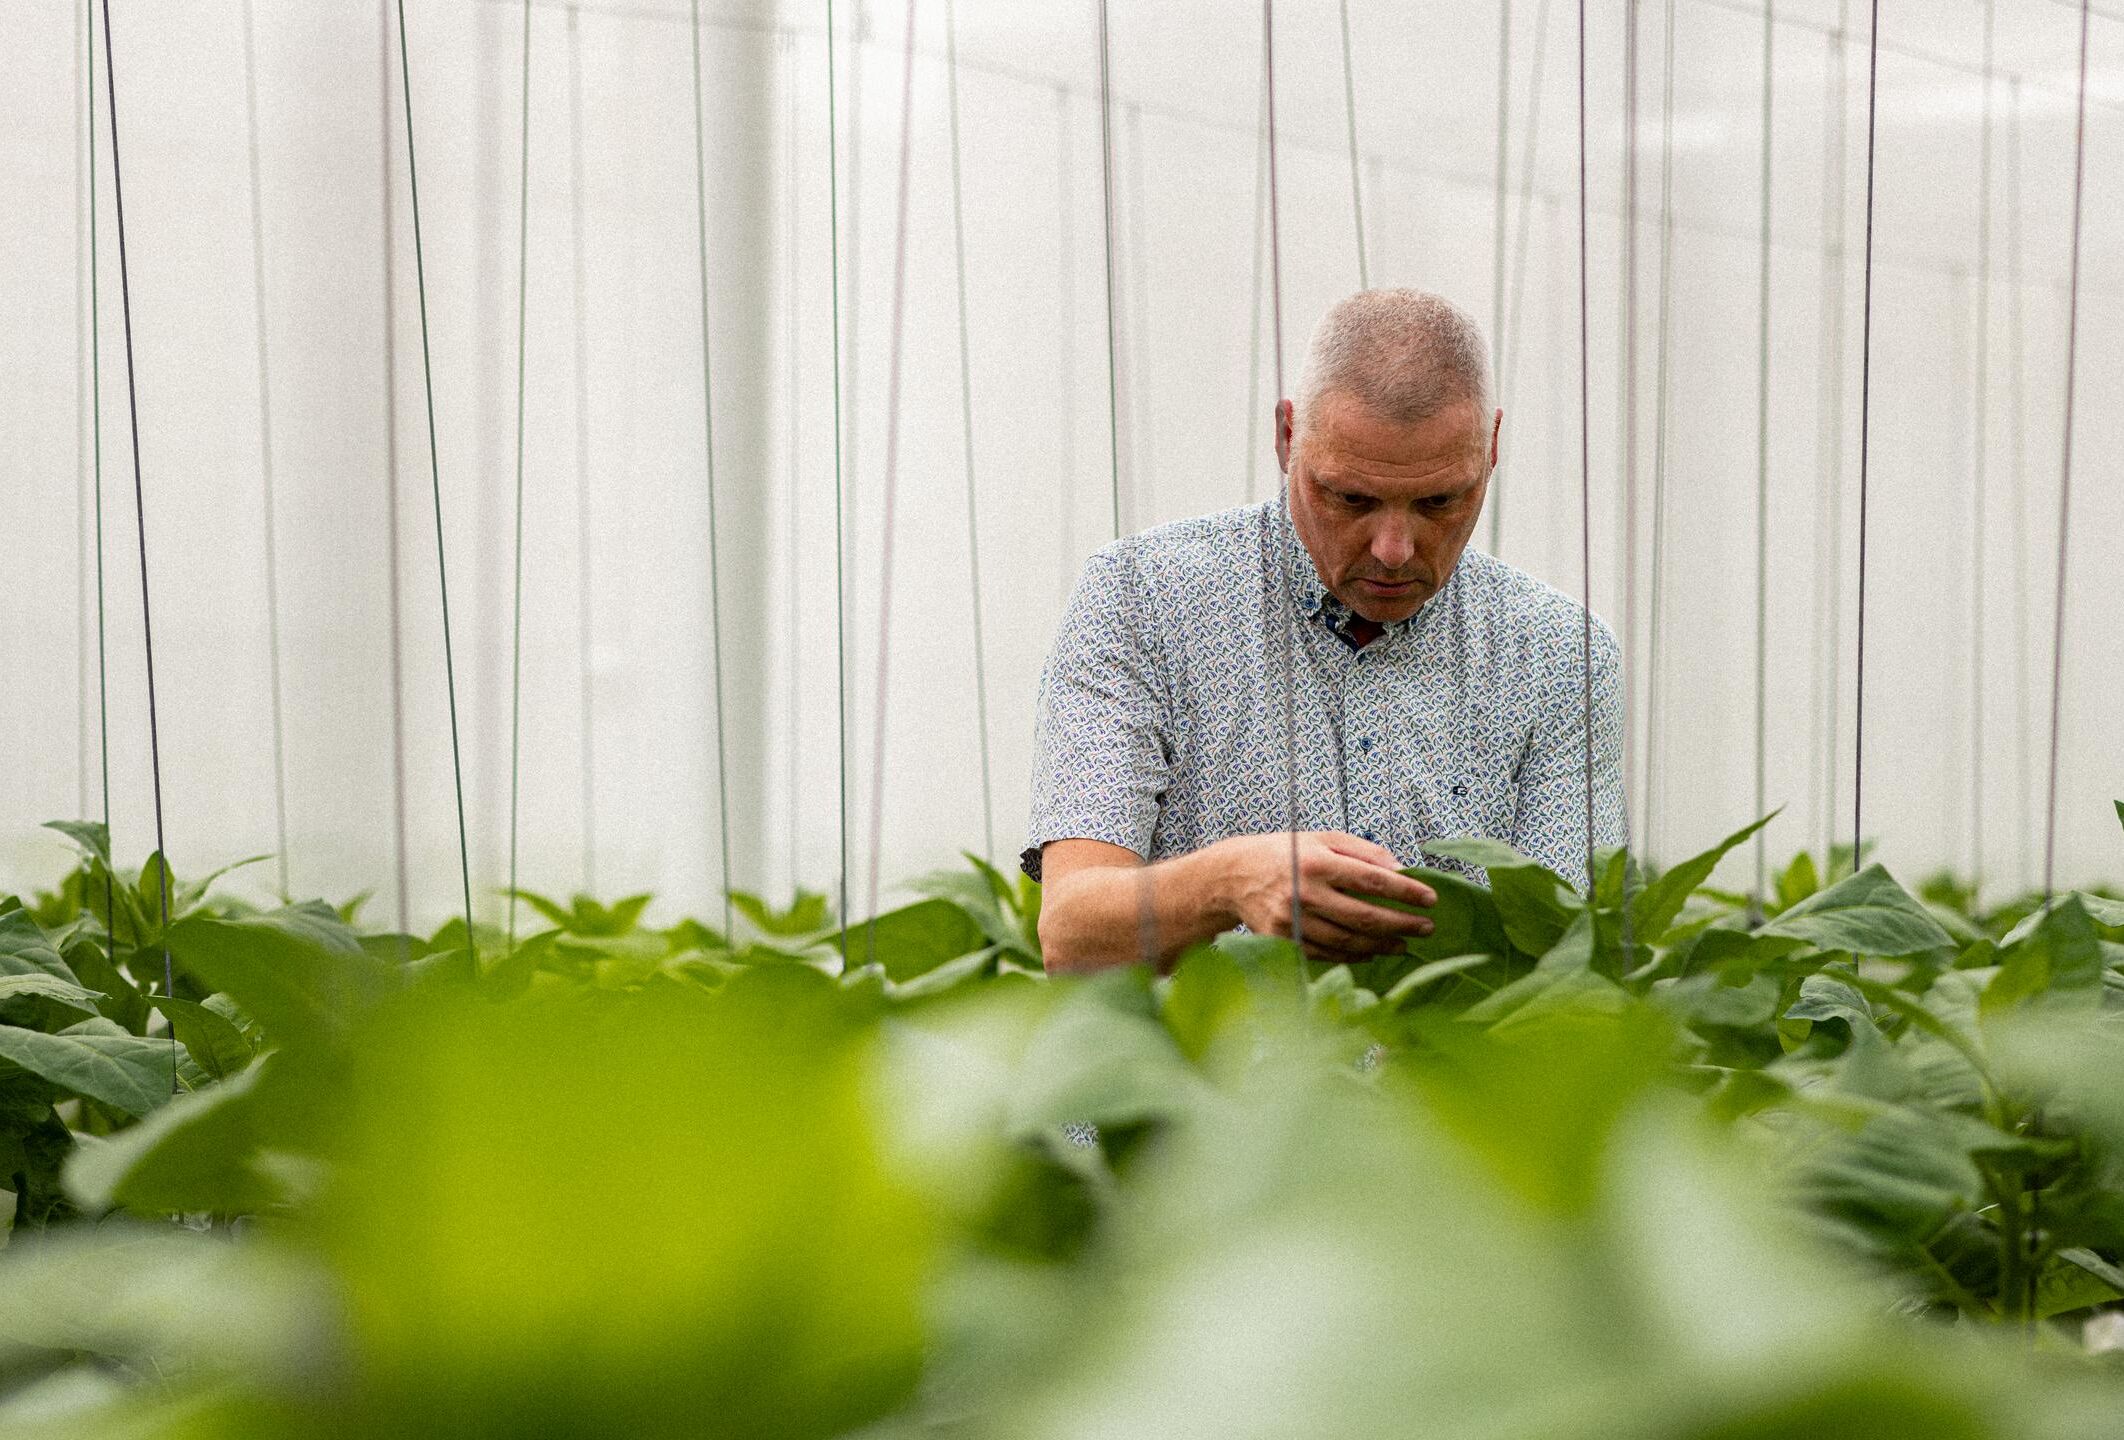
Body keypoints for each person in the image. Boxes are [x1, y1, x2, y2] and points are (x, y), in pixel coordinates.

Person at [1025, 287, 1626, 974]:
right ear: (1288, 437)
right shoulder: (1142, 600)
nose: (1394, 547)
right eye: (1351, 498)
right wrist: (1228, 882)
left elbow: (1568, 966)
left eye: (1440, 500)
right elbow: (1072, 935)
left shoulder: (1558, 657)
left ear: (1490, 448)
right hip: (1203, 1084)